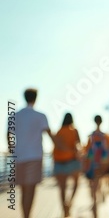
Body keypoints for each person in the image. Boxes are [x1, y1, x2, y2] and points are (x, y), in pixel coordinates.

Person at [11, 88, 56, 218]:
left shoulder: (14, 115)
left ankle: (25, 215)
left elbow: (9, 135)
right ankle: (27, 216)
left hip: (18, 156)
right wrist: (61, 147)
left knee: (23, 190)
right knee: (30, 189)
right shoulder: (40, 116)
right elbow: (49, 134)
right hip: (34, 156)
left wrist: (12, 149)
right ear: (35, 98)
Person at [53, 112, 82, 217]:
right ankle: (69, 203)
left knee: (62, 188)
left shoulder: (59, 131)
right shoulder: (74, 131)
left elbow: (56, 145)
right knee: (76, 184)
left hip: (59, 161)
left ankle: (64, 209)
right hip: (72, 160)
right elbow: (78, 145)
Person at [83, 114, 109, 218]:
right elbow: (108, 149)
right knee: (100, 180)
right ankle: (98, 196)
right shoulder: (105, 136)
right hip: (103, 160)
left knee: (94, 182)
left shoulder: (91, 135)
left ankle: (94, 200)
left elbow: (87, 150)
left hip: (93, 161)